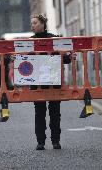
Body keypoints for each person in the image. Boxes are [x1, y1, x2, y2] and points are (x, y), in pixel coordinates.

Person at [30, 15, 71, 150]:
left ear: (43, 24)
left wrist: (68, 56)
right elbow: (22, 60)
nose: (33, 25)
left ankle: (55, 141)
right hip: (37, 83)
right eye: (32, 23)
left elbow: (65, 59)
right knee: (39, 113)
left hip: (54, 80)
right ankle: (40, 142)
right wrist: (14, 57)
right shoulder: (28, 41)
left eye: (35, 23)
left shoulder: (54, 39)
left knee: (55, 112)